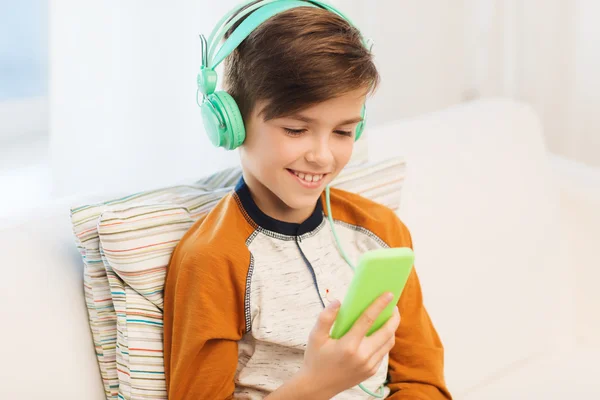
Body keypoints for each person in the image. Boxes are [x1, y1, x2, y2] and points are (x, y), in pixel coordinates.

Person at [163, 1, 452, 399]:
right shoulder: (213, 259)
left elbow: (423, 381)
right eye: (297, 129)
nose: (322, 156)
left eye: (342, 131)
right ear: (229, 123)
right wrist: (316, 385)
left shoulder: (381, 231)